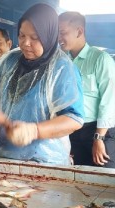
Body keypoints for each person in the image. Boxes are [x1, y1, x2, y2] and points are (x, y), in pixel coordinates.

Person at [0, 3, 84, 165]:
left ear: (48, 36)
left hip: (45, 161)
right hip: (3, 157)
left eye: (35, 38)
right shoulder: (10, 61)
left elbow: (73, 119)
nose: (25, 43)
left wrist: (34, 130)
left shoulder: (62, 68)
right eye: (22, 36)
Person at [59, 12, 115, 168]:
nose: (59, 38)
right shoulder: (62, 62)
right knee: (76, 179)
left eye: (63, 33)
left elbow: (109, 100)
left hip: (98, 130)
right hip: (71, 131)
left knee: (104, 180)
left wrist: (99, 138)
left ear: (79, 31)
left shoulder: (100, 59)